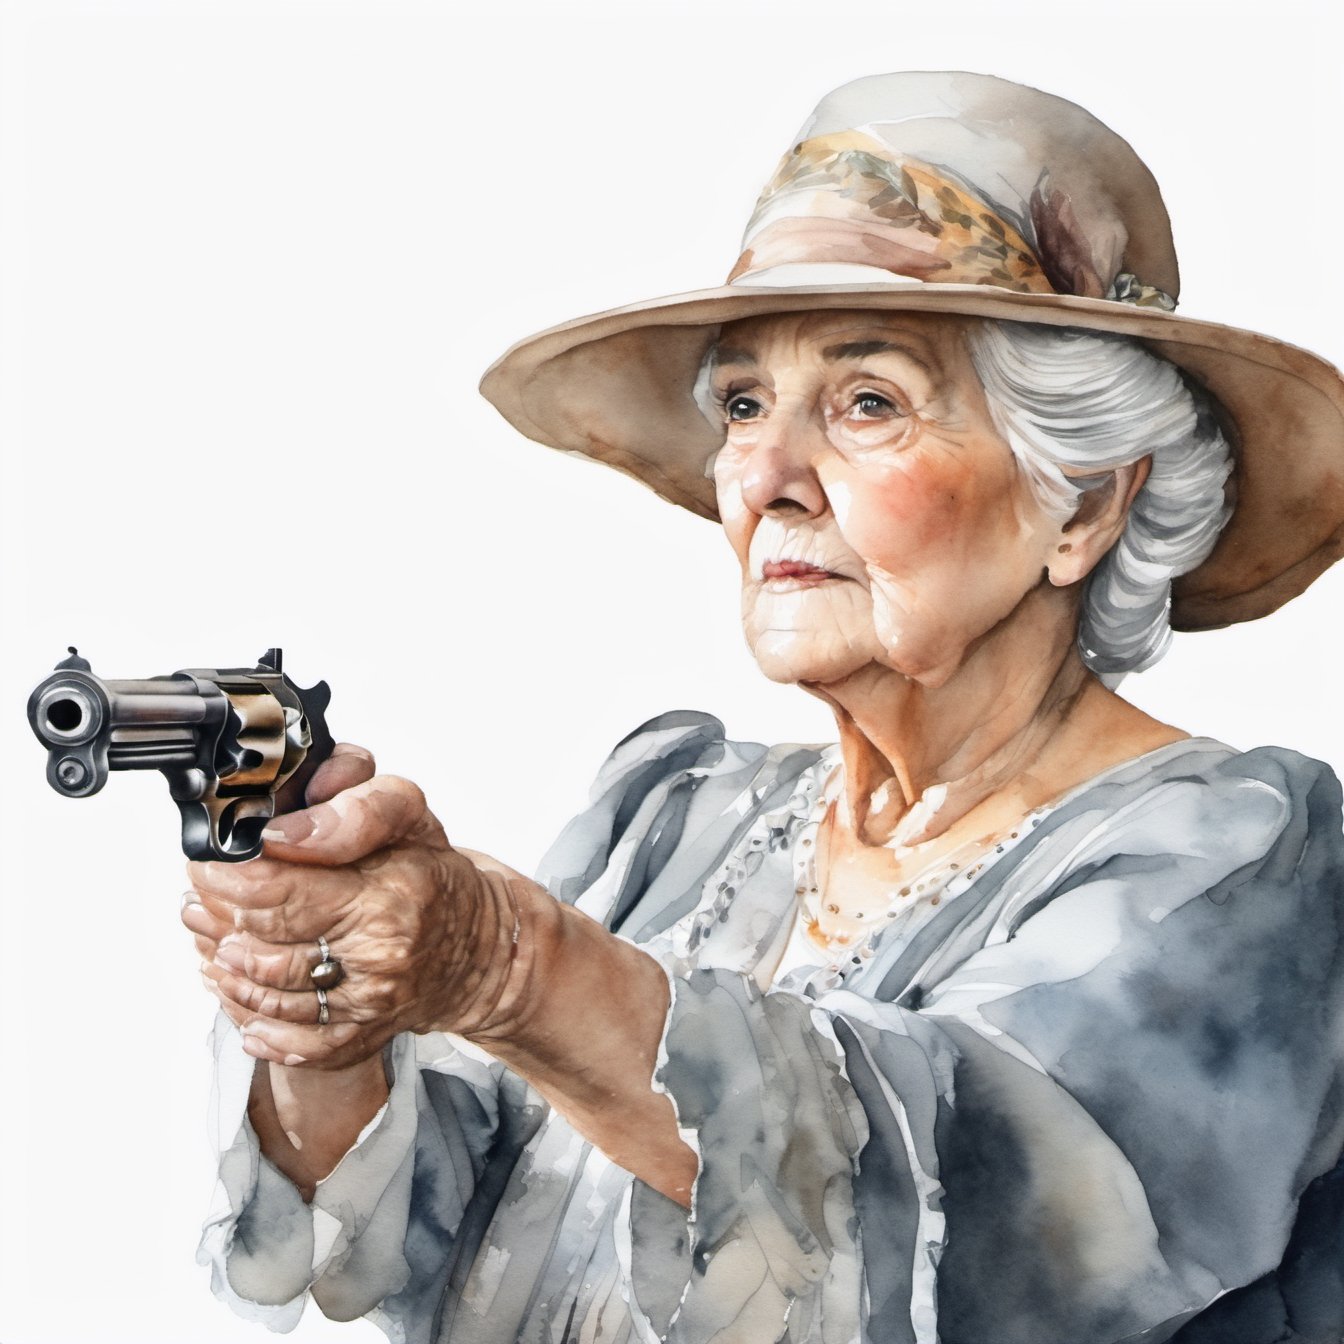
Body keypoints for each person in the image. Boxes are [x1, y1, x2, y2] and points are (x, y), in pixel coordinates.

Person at [182, 72, 1344, 1344]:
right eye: (743, 405)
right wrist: (323, 1012)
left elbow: (981, 1210)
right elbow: (426, 1233)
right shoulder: (676, 817)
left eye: (868, 403)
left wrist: (506, 961)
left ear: (1085, 506)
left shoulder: (1237, 851)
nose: (768, 477)